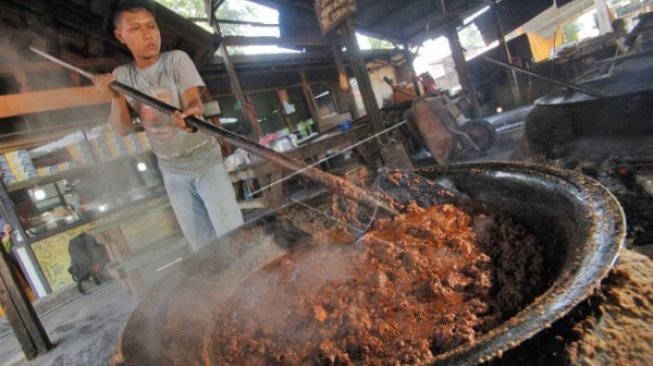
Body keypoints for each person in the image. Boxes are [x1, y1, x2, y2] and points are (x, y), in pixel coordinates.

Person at [93, 0, 243, 251]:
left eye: (151, 26)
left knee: (233, 234)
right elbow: (122, 130)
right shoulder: (123, 77)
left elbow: (193, 101)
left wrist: (190, 117)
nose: (147, 34)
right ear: (121, 35)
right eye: (136, 28)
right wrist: (115, 96)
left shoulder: (176, 60)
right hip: (173, 172)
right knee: (202, 246)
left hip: (205, 161)